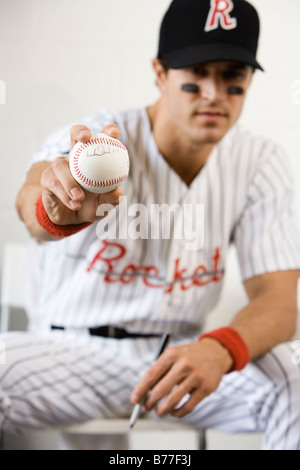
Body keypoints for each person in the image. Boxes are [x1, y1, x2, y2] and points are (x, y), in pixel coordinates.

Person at [1, 0, 300, 450]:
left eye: (232, 78)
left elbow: (279, 301)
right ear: (160, 73)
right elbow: (33, 201)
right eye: (196, 74)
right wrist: (53, 207)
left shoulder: (260, 161)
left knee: (294, 382)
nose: (214, 93)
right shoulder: (102, 137)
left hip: (180, 355)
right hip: (71, 353)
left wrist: (221, 348)